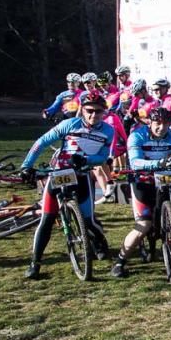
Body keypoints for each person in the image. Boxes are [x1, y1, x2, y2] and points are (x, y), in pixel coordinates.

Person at [21, 90, 115, 278]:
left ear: (104, 112)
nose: (93, 115)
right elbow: (41, 142)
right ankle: (35, 263)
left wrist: (86, 159)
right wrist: (26, 166)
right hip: (59, 174)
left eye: (98, 111)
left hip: (82, 176)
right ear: (82, 109)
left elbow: (104, 157)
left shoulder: (108, 131)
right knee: (47, 220)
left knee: (88, 220)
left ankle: (99, 241)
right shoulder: (69, 124)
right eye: (89, 110)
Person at [112, 106, 171, 277]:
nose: (161, 127)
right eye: (157, 123)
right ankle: (120, 261)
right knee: (144, 225)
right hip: (143, 183)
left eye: (165, 123)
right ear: (150, 121)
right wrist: (158, 164)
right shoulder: (137, 135)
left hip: (167, 181)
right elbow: (135, 162)